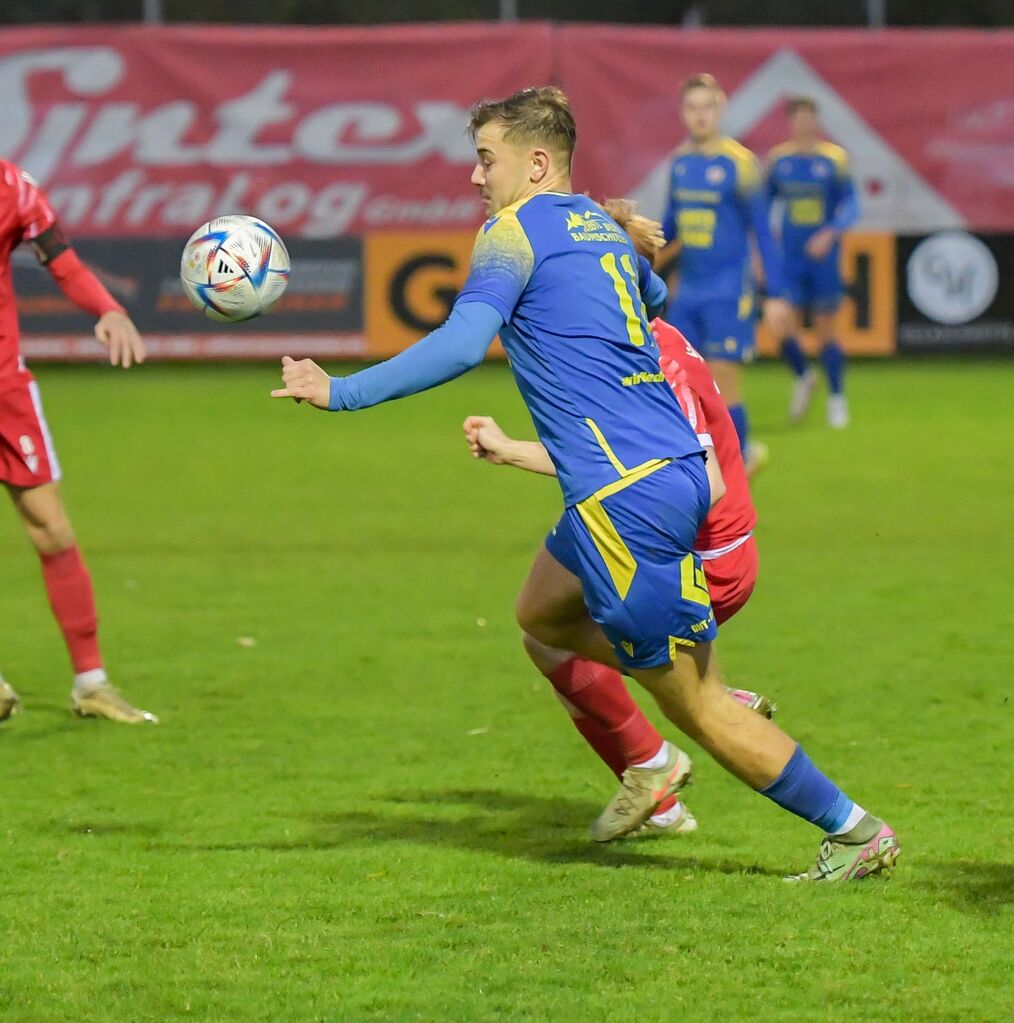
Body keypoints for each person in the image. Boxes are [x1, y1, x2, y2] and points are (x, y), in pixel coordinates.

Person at [273, 87, 896, 879]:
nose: (475, 176)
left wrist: (341, 391)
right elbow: (654, 297)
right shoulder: (599, 226)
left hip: (624, 496)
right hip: (656, 473)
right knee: (540, 611)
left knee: (699, 707)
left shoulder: (511, 233)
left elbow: (462, 344)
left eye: (487, 159)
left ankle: (854, 829)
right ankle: (681, 681)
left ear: (537, 164)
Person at [461, 200, 770, 837]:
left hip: (704, 557)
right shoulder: (624, 352)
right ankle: (657, 778)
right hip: (662, 537)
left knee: (552, 633)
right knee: (546, 632)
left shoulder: (657, 359)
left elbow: (704, 483)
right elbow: (610, 458)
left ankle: (678, 738)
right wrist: (512, 449)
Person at [0, 160, 158, 725]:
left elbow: (61, 262)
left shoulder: (14, 190)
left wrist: (108, 309)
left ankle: (91, 683)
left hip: (4, 387)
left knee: (52, 528)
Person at [661, 74, 789, 471]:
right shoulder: (680, 163)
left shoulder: (741, 164)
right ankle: (697, 466)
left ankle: (740, 464)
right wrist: (633, 244)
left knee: (724, 382)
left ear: (721, 110)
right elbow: (670, 228)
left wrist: (776, 295)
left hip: (729, 291)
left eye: (708, 107)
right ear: (682, 113)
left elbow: (763, 232)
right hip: (688, 292)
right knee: (676, 382)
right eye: (692, 107)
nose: (700, 115)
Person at [766, 96, 858, 429]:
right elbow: (762, 207)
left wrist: (830, 233)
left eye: (809, 117)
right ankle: (804, 376)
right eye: (798, 117)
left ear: (817, 121)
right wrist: (765, 243)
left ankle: (836, 399)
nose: (804, 123)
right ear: (791, 122)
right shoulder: (779, 161)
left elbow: (851, 204)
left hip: (823, 259)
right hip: (790, 259)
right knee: (779, 325)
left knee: (826, 330)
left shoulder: (834, 160)